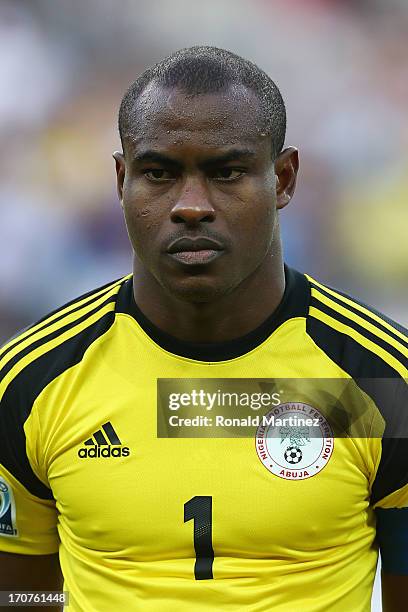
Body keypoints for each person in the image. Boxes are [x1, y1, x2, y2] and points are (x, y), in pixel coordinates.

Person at [0, 45, 406, 612]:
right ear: (122, 180)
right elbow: (20, 595)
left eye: (227, 172)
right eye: (159, 173)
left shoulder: (384, 381)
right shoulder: (29, 384)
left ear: (284, 178)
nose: (191, 206)